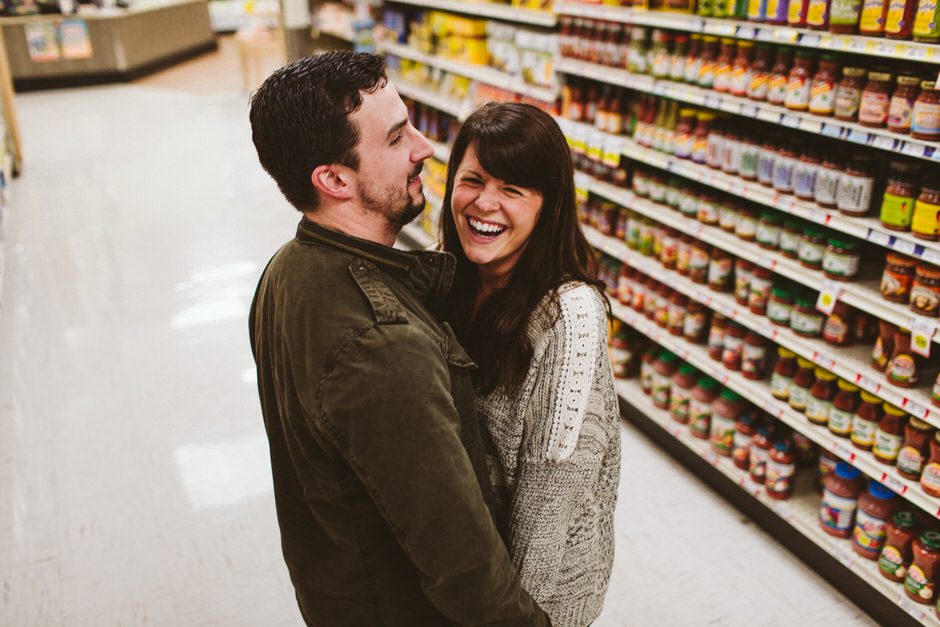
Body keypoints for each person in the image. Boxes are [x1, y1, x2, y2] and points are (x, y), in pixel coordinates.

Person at [247, 51, 549, 626]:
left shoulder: (285, 271)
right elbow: (466, 575)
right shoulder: (383, 345)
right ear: (334, 179)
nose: (425, 147)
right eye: (395, 139)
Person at [441, 101, 622, 627]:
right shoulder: (453, 279)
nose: (484, 204)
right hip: (476, 574)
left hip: (540, 599)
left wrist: (512, 618)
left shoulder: (570, 318)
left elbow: (550, 502)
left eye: (513, 190)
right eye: (472, 180)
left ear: (548, 206)